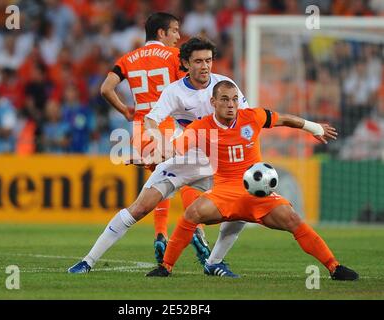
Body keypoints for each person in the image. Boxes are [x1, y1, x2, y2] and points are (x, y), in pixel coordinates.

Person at [67, 37, 248, 275]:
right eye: (198, 61)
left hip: (219, 162)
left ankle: (214, 262)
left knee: (244, 205)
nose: (205, 66)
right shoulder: (175, 91)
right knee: (140, 208)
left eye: (209, 60)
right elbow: (151, 120)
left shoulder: (225, 85)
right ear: (185, 63)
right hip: (186, 159)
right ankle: (88, 261)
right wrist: (161, 146)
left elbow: (247, 120)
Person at [146, 80, 359, 281]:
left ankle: (334, 267)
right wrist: (149, 157)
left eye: (234, 99)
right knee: (192, 213)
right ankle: (165, 267)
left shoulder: (253, 116)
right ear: (213, 102)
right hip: (224, 192)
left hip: (257, 193)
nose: (231, 105)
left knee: (292, 218)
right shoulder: (200, 127)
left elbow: (284, 119)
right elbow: (173, 149)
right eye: (225, 99)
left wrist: (315, 128)